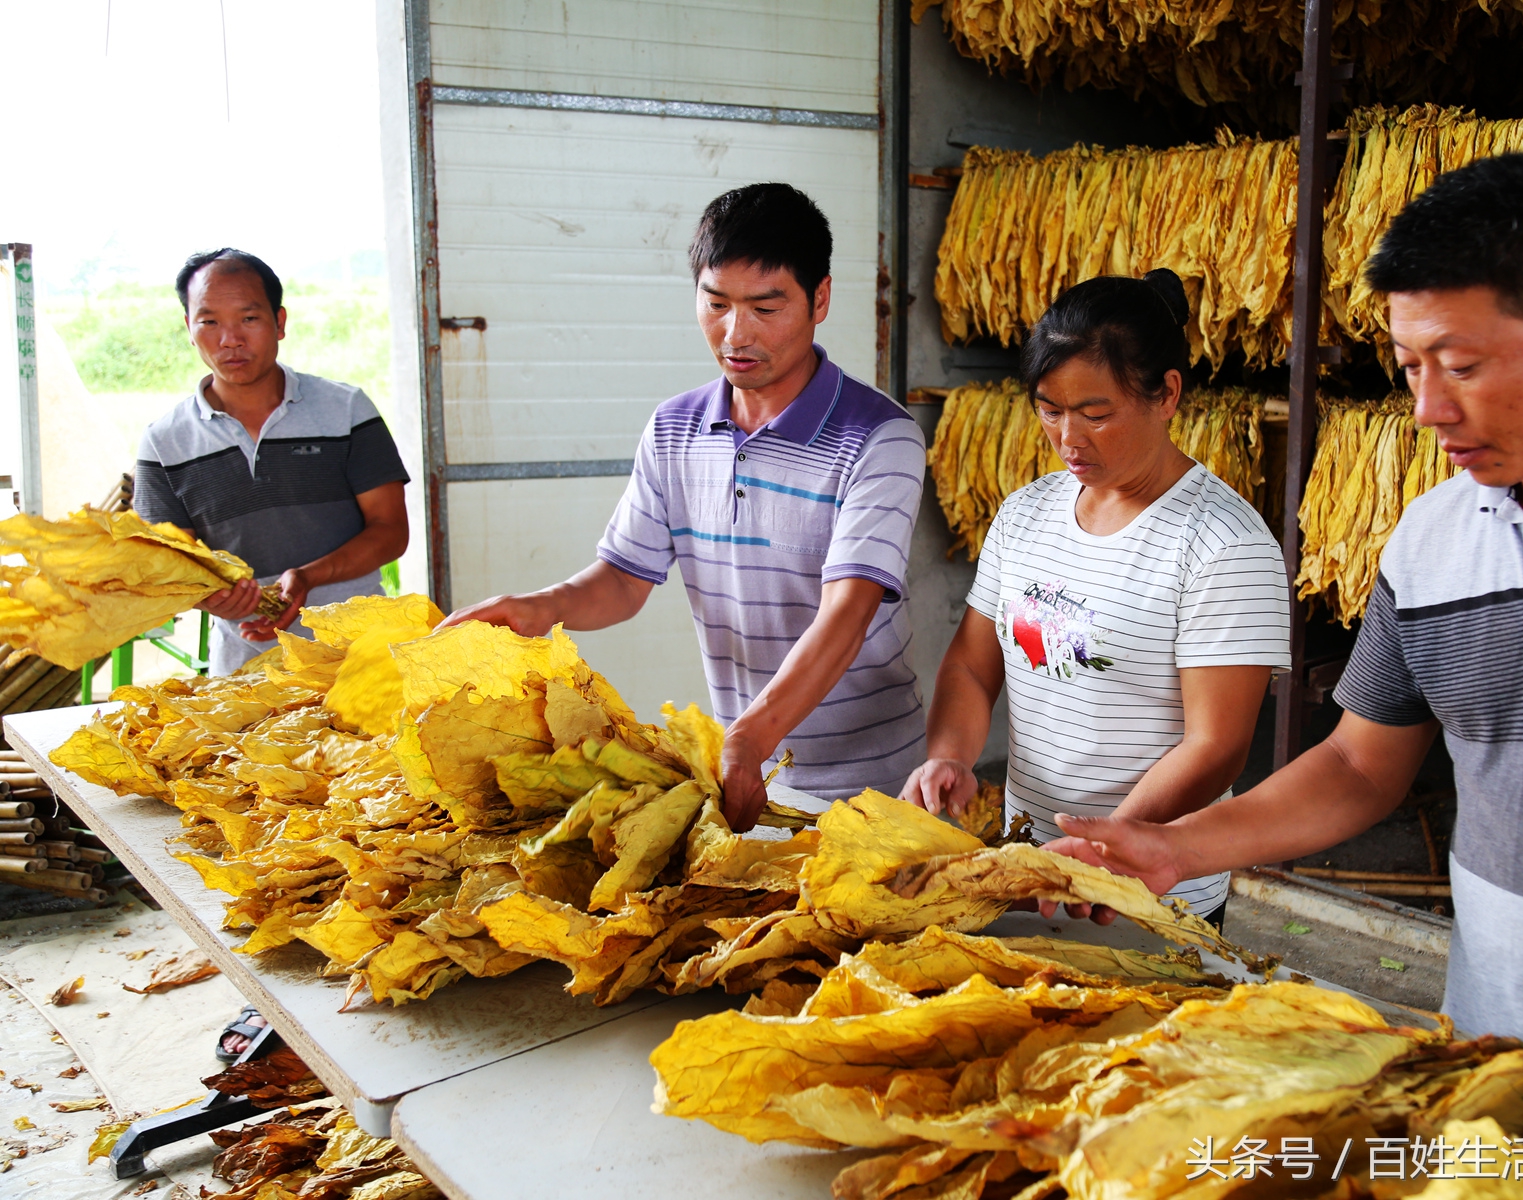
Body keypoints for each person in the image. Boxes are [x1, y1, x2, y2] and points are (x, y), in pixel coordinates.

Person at [1052, 153, 1523, 1152]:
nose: (1427, 407)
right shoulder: (1435, 537)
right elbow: (1363, 766)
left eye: (1464, 363)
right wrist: (1176, 847)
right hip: (1487, 1085)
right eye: (1410, 366)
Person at [444, 183, 928, 832]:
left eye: (765, 306)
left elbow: (847, 615)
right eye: (716, 302)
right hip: (741, 775)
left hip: (869, 785)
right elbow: (623, 580)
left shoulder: (880, 437)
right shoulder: (674, 429)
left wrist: (751, 737)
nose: (736, 333)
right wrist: (544, 607)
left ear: (820, 299)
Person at [900, 270, 1291, 928]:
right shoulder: (1026, 513)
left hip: (1149, 891)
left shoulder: (1222, 544)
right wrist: (950, 756)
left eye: (1096, 413)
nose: (1068, 437)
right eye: (1050, 409)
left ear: (1167, 393)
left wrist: (1110, 842)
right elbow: (972, 663)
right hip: (1028, 866)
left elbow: (1216, 743)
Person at [135, 248, 411, 676]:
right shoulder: (164, 442)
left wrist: (307, 577)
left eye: (248, 318)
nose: (230, 340)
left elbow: (391, 532)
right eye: (209, 321)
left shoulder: (346, 410)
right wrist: (209, 595)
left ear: (279, 323)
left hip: (360, 659)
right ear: (189, 328)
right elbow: (169, 564)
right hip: (247, 671)